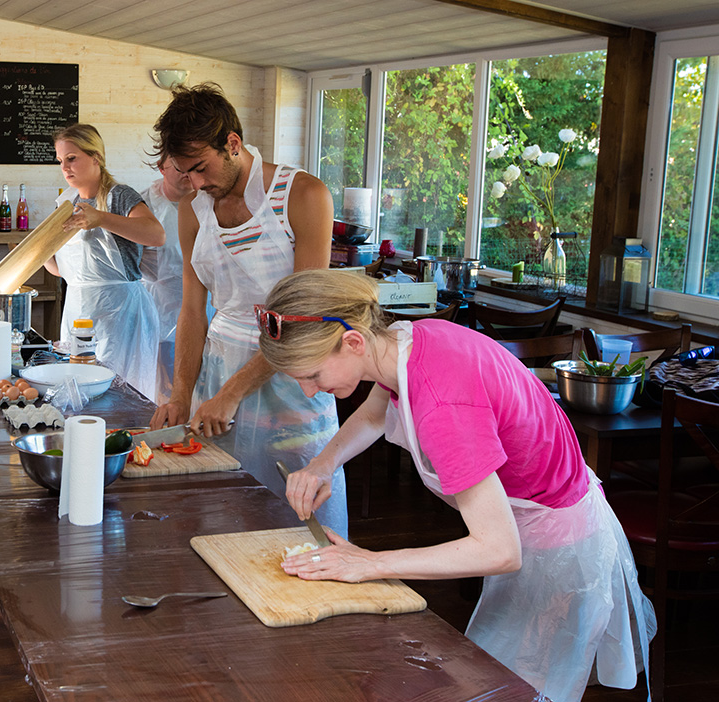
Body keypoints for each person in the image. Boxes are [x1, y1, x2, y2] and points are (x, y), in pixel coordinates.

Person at [263, 269, 655, 702]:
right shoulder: (402, 341)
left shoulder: (443, 405)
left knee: (518, 687)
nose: (310, 390)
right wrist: (322, 464)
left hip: (558, 547)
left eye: (313, 375)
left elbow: (498, 550)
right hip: (531, 520)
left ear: (353, 341)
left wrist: (369, 563)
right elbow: (377, 412)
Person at [148, 83, 346, 535]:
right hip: (217, 372)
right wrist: (181, 394)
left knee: (297, 516)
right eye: (185, 173)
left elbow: (302, 316)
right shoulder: (194, 208)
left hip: (293, 377)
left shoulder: (303, 195)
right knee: (219, 512)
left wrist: (234, 392)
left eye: (201, 168)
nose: (196, 184)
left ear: (232, 144)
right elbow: (193, 311)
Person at [46, 123, 163, 400]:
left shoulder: (119, 196)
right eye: (61, 161)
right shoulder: (66, 203)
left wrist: (101, 218)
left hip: (120, 313)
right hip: (78, 309)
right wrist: (38, 254)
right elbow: (64, 270)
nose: (65, 168)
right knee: (80, 393)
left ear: (96, 156)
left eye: (72, 158)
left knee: (119, 395)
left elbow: (156, 234)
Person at [140, 154, 195, 404]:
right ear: (161, 167)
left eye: (191, 166)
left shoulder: (209, 200)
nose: (187, 172)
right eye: (179, 166)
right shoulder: (143, 204)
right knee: (164, 391)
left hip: (204, 306)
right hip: (159, 309)